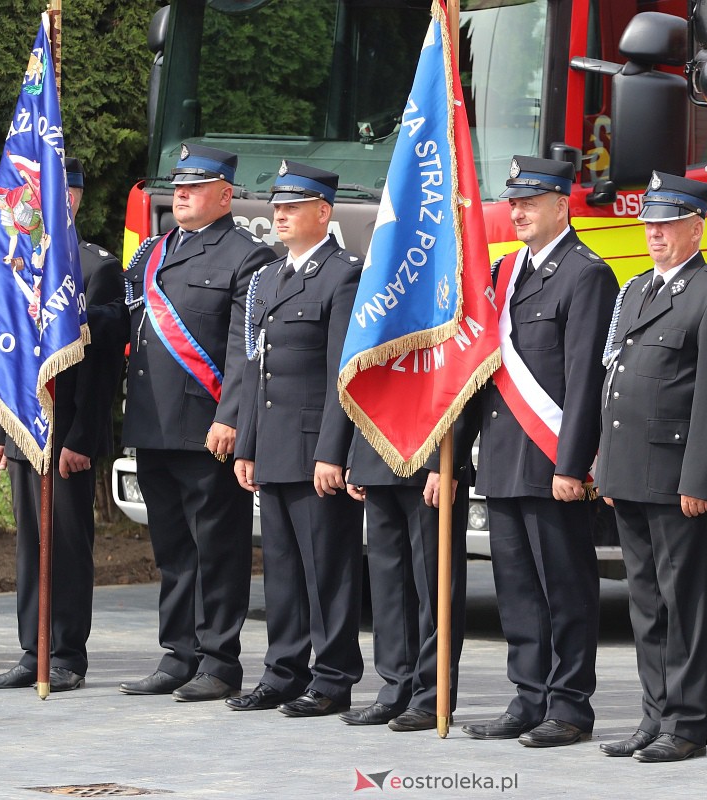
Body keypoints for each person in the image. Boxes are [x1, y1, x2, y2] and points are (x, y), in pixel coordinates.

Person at [462, 155, 617, 748]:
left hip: (552, 460)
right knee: (518, 588)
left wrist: (571, 464)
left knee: (565, 587)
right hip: (505, 456)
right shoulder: (507, 273)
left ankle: (569, 705)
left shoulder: (586, 274)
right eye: (515, 202)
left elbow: (583, 380)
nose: (518, 211)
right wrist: (460, 454)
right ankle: (528, 696)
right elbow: (484, 370)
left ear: (562, 205)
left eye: (531, 202)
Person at [596, 172, 707, 763]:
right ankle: (653, 715)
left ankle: (685, 725)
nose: (655, 233)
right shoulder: (636, 290)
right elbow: (616, 382)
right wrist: (607, 466)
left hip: (676, 478)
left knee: (683, 603)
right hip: (630, 472)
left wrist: (699, 480)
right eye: (650, 224)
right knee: (645, 601)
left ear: (695, 226)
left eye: (667, 224)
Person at [119, 143, 274, 701]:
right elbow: (124, 325)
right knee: (173, 550)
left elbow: (245, 349)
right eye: (177, 185)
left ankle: (218, 660)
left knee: (217, 549)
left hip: (206, 429)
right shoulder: (151, 254)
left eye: (195, 185)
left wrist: (230, 416)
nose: (180, 193)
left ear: (225, 194)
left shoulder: (246, 257)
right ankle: (177, 652)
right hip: (154, 424)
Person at [0, 157, 127, 693]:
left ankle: (65, 654)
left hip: (66, 438)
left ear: (74, 198)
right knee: (29, 546)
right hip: (24, 430)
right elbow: (7, 356)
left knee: (64, 546)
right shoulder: (20, 264)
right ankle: (30, 649)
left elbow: (103, 368)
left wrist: (82, 439)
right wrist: (0, 433)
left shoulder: (95, 268)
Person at [231, 160, 364, 718]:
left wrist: (332, 451)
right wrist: (247, 445)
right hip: (275, 444)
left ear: (323, 212)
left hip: (314, 449)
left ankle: (333, 677)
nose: (278, 215)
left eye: (291, 206)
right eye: (276, 206)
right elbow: (257, 369)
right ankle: (282, 671)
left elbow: (342, 375)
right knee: (282, 568)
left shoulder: (341, 275)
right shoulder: (269, 277)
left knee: (326, 568)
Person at [339, 419, 472, 732]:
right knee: (389, 591)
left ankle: (431, 697)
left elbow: (459, 390)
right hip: (378, 457)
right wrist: (357, 459)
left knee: (435, 589)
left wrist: (445, 462)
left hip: (429, 459)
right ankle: (396, 689)